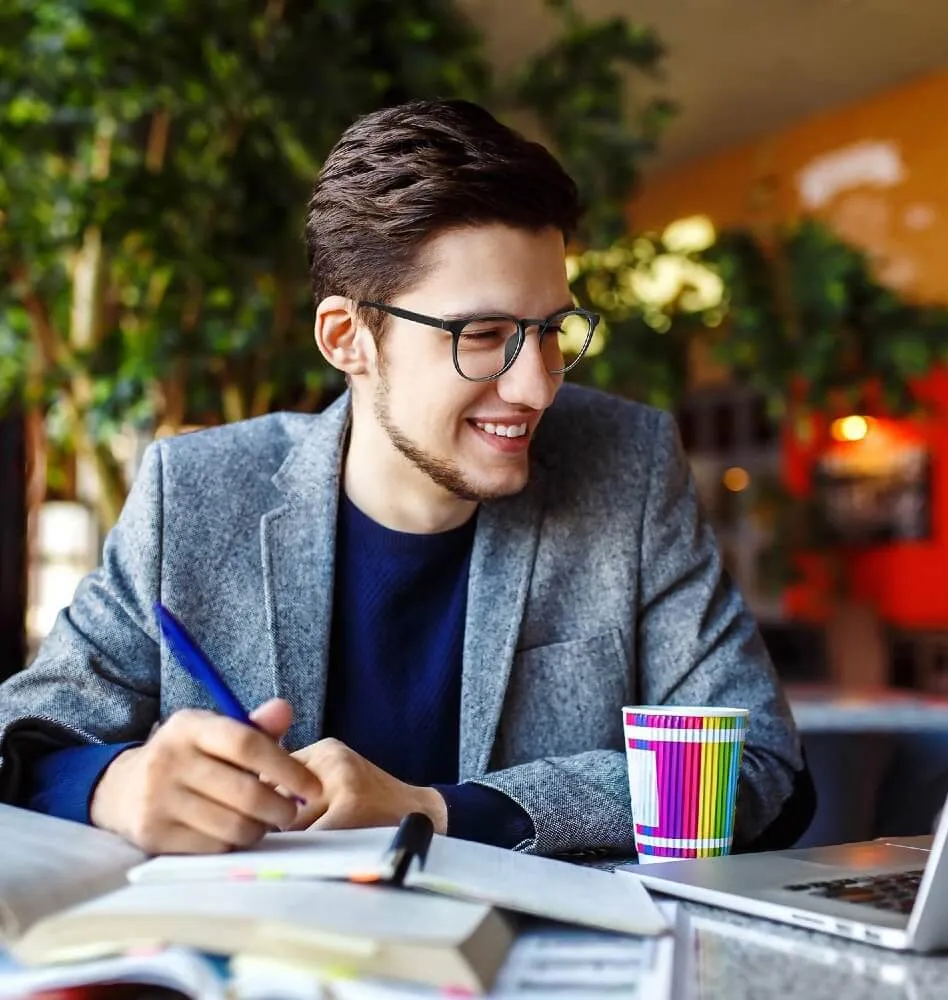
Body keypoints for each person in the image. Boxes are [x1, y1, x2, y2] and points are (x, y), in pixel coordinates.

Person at [0, 99, 814, 857]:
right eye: (484, 334)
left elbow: (761, 768)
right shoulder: (198, 492)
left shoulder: (626, 463)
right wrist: (113, 784)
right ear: (348, 336)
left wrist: (436, 809)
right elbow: (24, 735)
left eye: (553, 330)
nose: (538, 384)